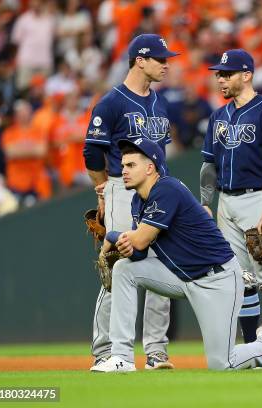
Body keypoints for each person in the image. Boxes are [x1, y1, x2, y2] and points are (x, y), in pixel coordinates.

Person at [91, 137, 262, 372]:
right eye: (123, 165)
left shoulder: (167, 188)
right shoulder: (138, 201)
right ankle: (122, 357)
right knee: (125, 269)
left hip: (218, 279)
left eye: (130, 165)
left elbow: (141, 238)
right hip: (182, 278)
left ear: (149, 168)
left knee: (222, 363)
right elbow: (139, 252)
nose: (123, 170)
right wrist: (127, 250)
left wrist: (112, 237)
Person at [82, 33, 178, 371]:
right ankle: (105, 349)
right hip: (120, 189)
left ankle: (156, 351)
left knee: (161, 268)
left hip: (158, 191)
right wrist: (102, 189)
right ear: (140, 59)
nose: (166, 64)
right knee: (118, 266)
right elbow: (92, 151)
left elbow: (161, 151)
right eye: (159, 58)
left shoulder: (160, 102)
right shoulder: (112, 102)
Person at [200, 49, 262, 367]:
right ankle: (255, 351)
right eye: (219, 74)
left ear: (247, 75)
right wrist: (205, 203)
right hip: (226, 201)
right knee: (242, 280)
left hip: (258, 199)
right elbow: (208, 166)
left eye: (227, 73)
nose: (221, 79)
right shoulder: (217, 117)